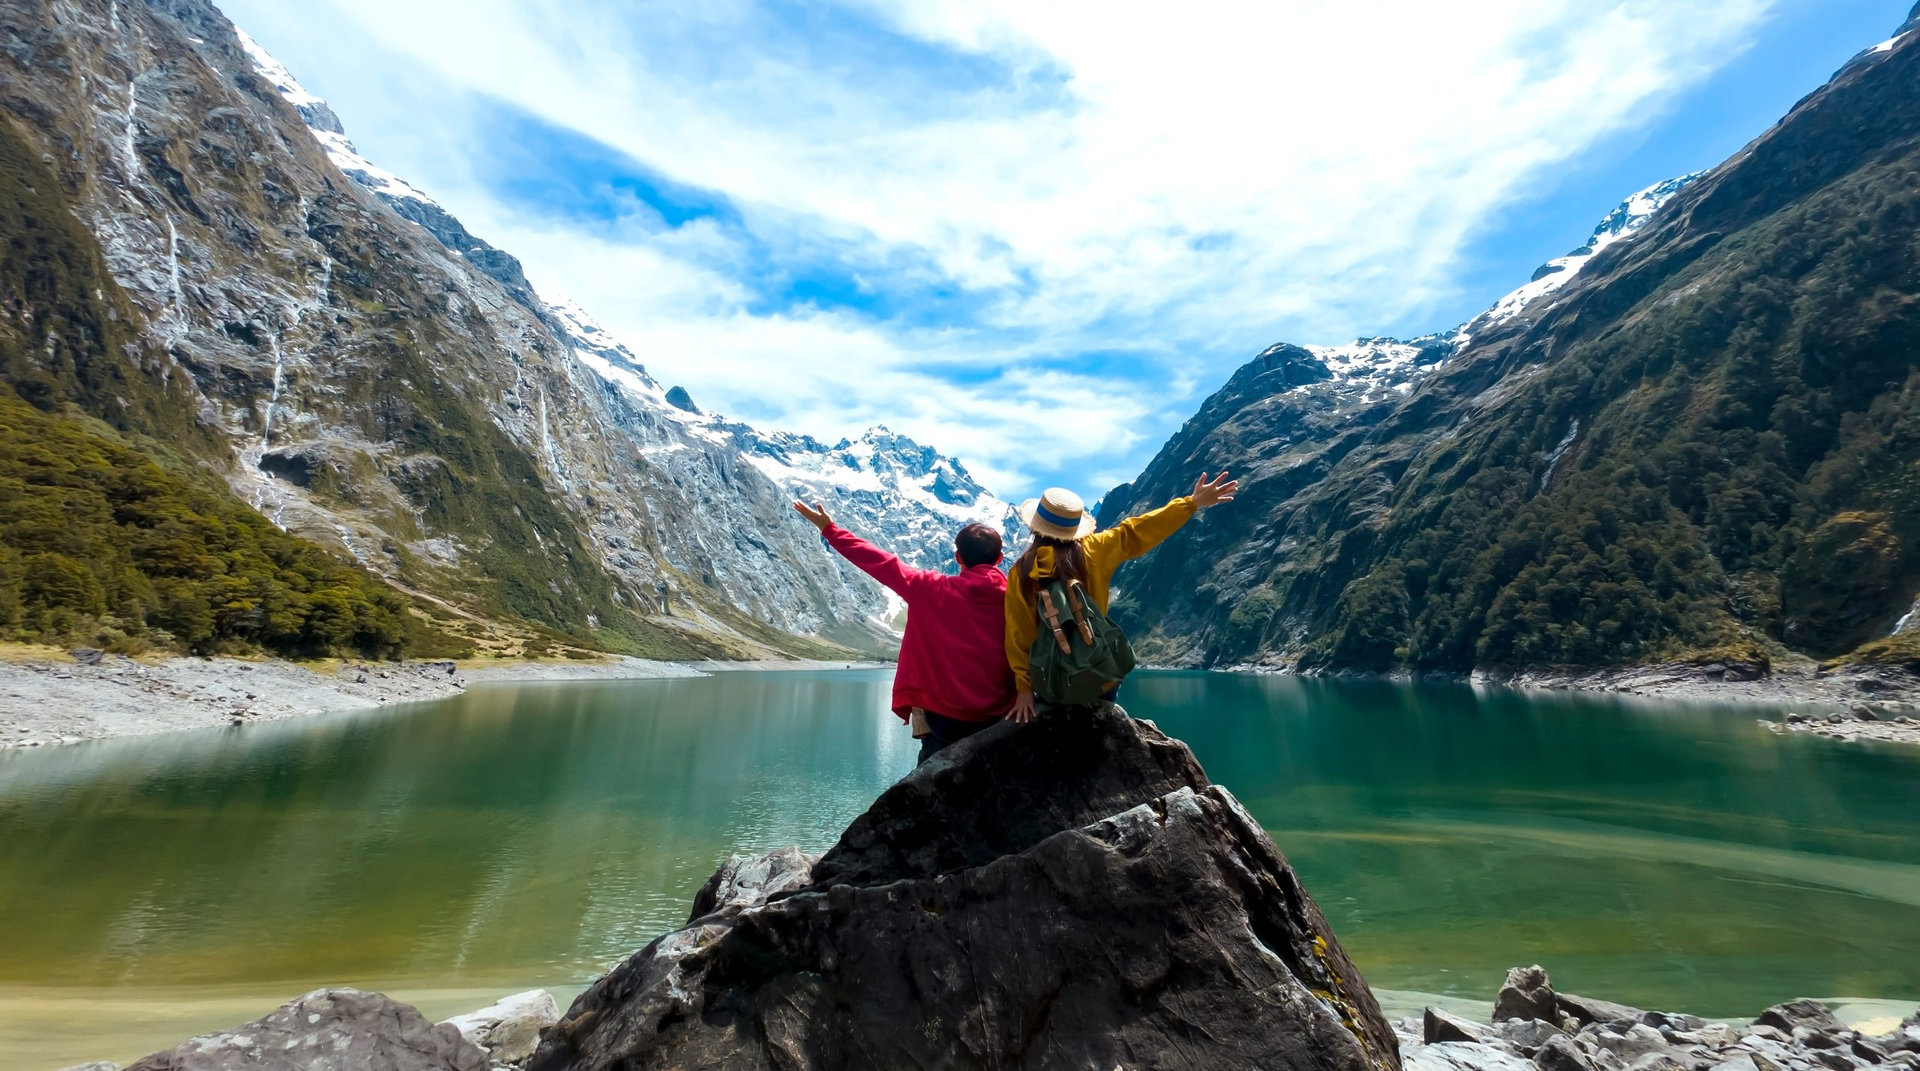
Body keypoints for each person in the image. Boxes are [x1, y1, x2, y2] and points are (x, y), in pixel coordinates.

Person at [1004, 472, 1238, 723]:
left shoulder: (1022, 570)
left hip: (1053, 681)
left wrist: (1024, 689)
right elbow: (1138, 530)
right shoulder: (1096, 548)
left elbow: (1020, 634)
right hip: (1099, 673)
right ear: (1074, 528)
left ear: (1034, 526)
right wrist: (1191, 502)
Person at [794, 501, 1016, 763]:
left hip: (943, 719)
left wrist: (831, 530)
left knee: (934, 790)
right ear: (1000, 559)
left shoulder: (929, 588)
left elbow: (880, 562)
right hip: (999, 717)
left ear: (958, 558)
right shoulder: (1017, 598)